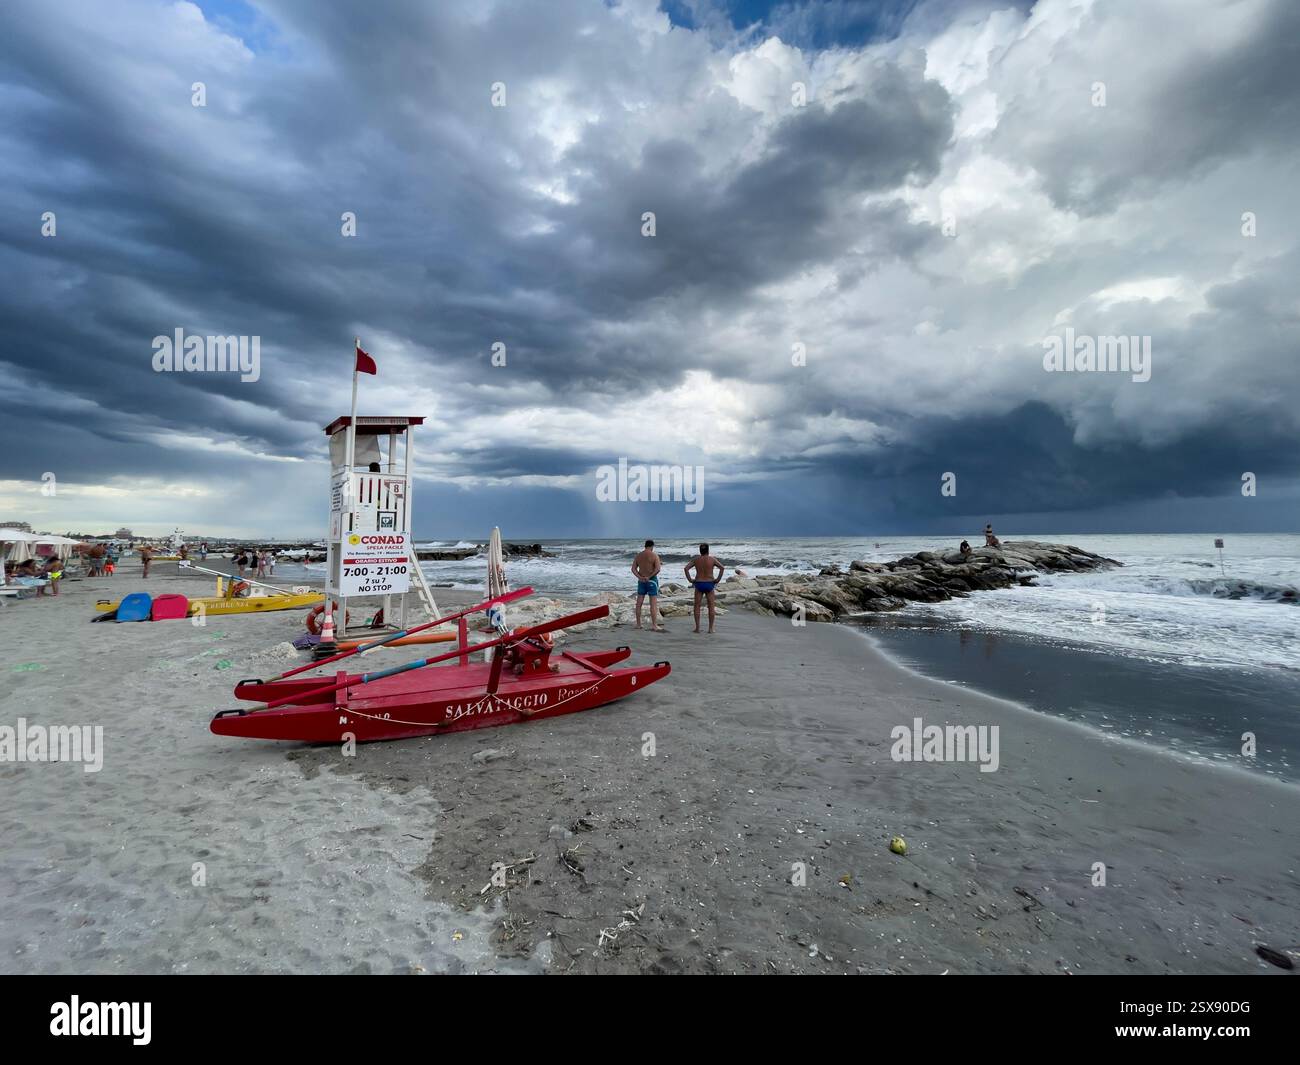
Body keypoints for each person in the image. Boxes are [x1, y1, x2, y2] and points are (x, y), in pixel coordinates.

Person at [684, 543, 725, 634]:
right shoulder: (712, 559)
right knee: (711, 606)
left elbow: (686, 568)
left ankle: (697, 628)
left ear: (700, 551)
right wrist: (717, 580)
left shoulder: (696, 560)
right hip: (709, 583)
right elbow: (722, 568)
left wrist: (690, 580)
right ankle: (710, 629)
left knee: (697, 606)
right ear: (708, 550)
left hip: (699, 583)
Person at [631, 539, 664, 631]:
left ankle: (638, 624)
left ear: (645, 546)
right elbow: (657, 569)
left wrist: (640, 577)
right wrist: (649, 577)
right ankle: (654, 625)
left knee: (639, 603)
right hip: (652, 581)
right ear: (652, 546)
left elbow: (633, 569)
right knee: (653, 603)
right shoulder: (654, 555)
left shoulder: (639, 556)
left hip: (641, 581)